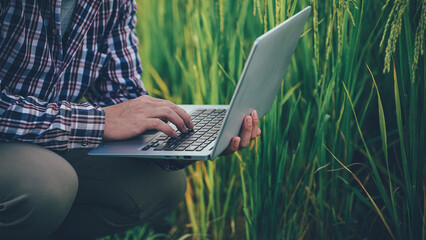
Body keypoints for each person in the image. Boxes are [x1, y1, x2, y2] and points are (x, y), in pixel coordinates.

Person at [0, 0, 261, 239]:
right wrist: (100, 122)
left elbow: (122, 95)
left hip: (43, 138)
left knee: (160, 185)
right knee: (49, 183)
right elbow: (110, 117)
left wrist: (191, 139)